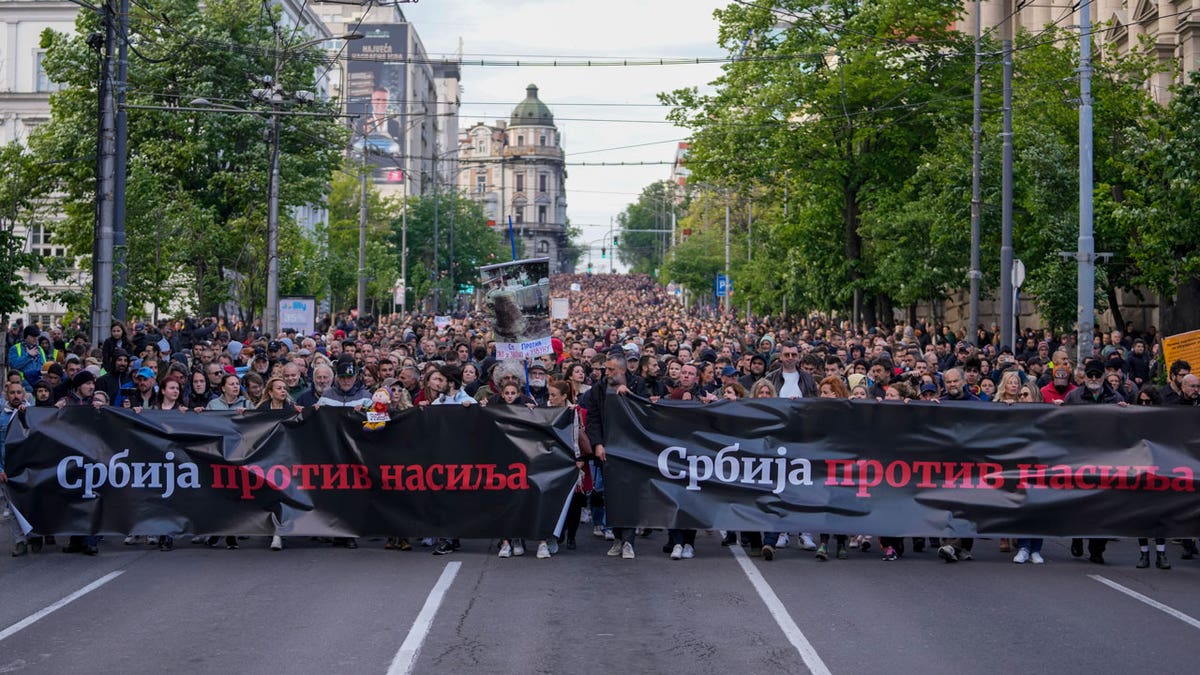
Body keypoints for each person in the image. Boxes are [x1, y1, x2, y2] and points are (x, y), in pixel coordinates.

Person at [1064, 358, 1127, 564]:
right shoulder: (1073, 396)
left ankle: (1097, 548)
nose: (1092, 379)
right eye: (1089, 375)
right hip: (1079, 457)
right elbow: (1061, 423)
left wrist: (1125, 412)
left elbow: (1123, 428)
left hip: (1106, 459)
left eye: (1096, 375)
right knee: (1080, 502)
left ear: (1103, 377)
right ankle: (1077, 536)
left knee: (1102, 504)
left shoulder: (1115, 397)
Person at [582, 352, 637, 560]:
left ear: (622, 370)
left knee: (629, 496)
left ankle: (629, 541)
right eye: (606, 369)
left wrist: (629, 394)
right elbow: (593, 418)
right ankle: (617, 537)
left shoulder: (637, 384)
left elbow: (646, 410)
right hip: (607, 448)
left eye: (611, 369)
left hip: (631, 450)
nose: (607, 372)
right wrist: (597, 444)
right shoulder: (599, 388)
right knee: (610, 496)